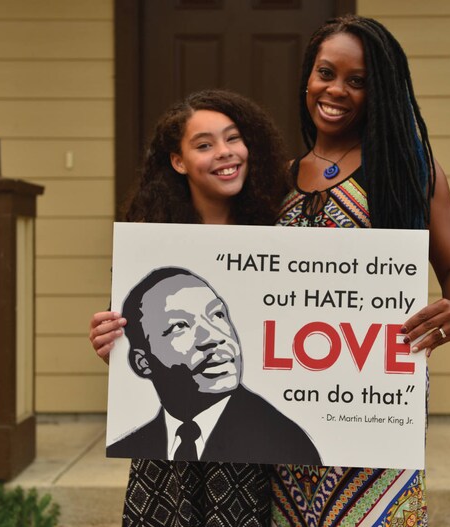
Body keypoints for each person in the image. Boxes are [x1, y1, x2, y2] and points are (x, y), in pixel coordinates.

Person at [271, 15, 450, 527]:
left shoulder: (409, 169)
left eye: (357, 80)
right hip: (289, 407)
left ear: (379, 90)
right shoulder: (277, 178)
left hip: (374, 399)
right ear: (307, 78)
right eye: (325, 72)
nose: (335, 90)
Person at [89, 90, 291, 526]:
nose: (225, 153)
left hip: (253, 459)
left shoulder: (280, 236)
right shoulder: (151, 243)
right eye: (204, 145)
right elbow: (131, 348)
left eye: (233, 139)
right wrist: (110, 342)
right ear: (178, 161)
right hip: (168, 465)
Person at [107, 266, 320, 465]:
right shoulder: (133, 445)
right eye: (180, 326)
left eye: (217, 315)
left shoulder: (285, 441)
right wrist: (108, 343)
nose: (214, 336)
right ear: (142, 362)